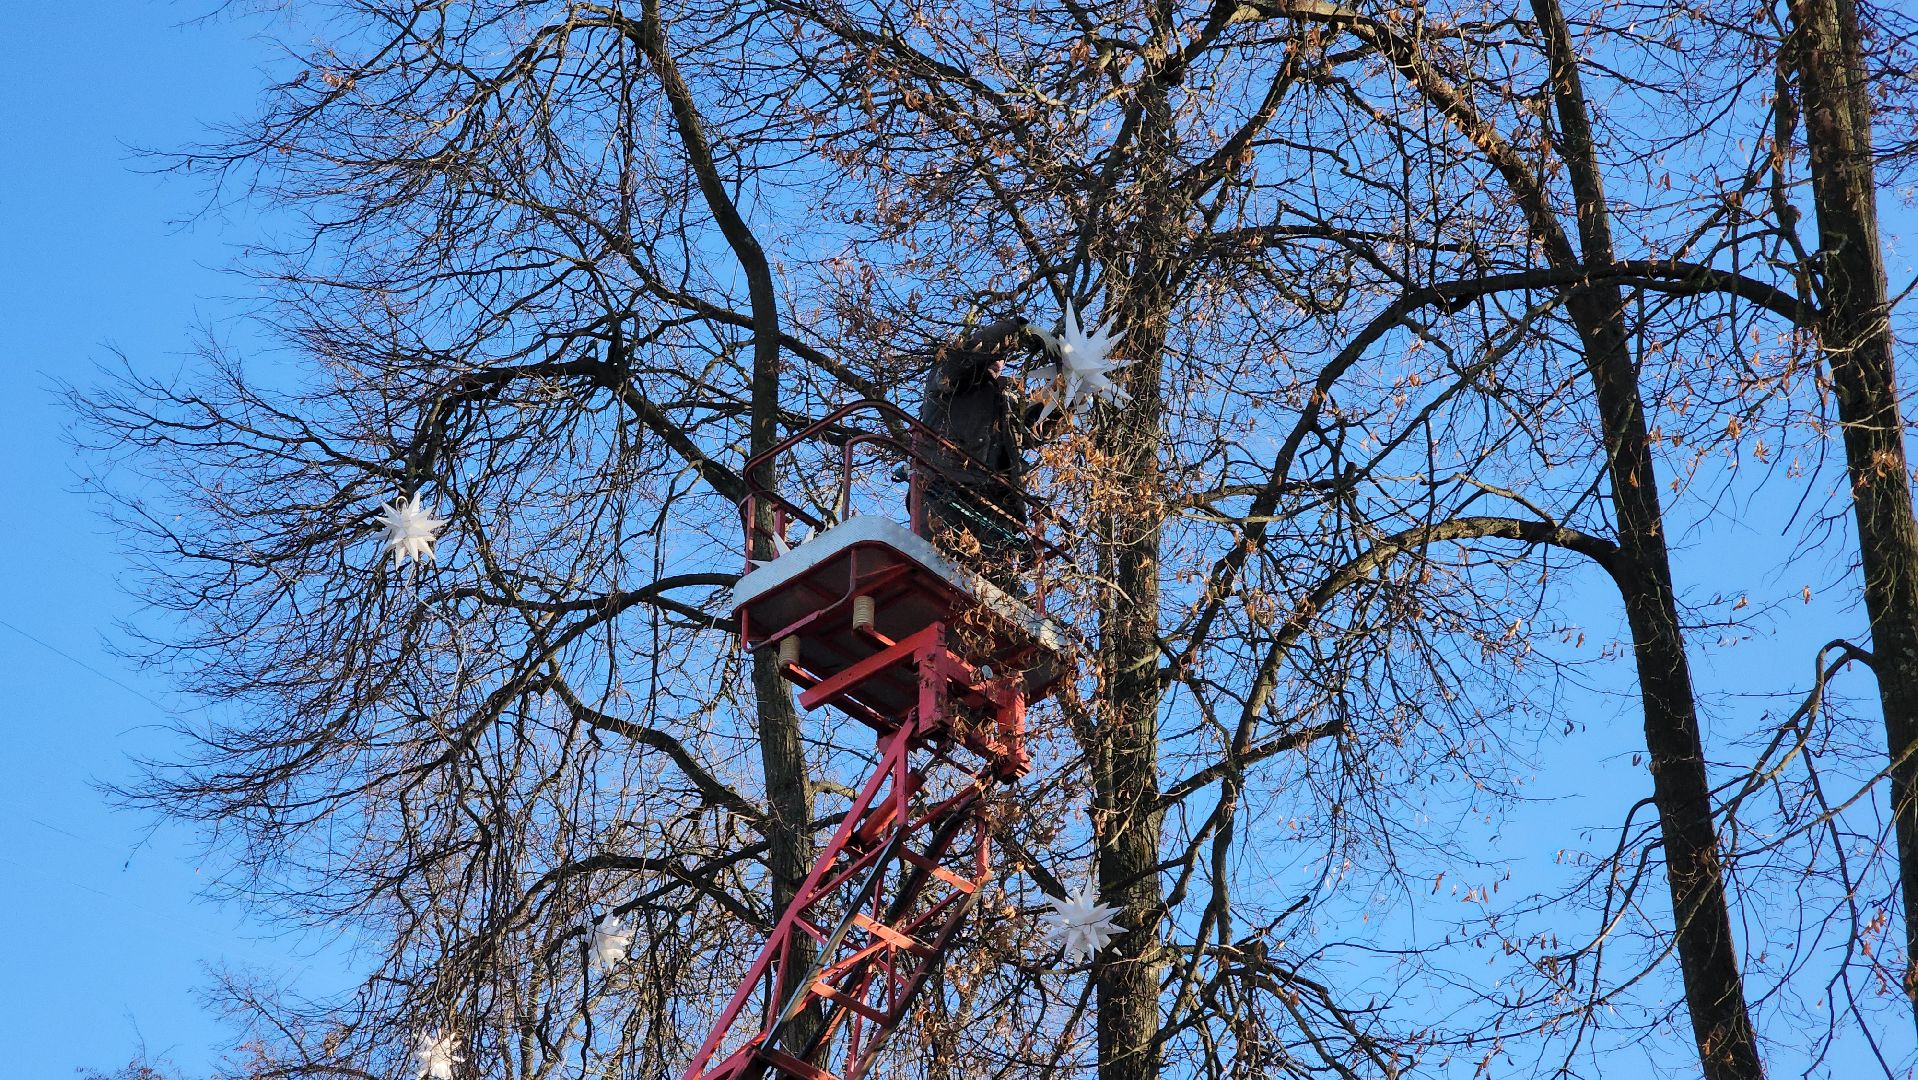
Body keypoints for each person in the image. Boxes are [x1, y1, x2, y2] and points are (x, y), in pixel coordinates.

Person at [915, 316, 1052, 579]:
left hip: (997, 506)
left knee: (995, 587)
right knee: (942, 572)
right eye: (998, 352)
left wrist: (1073, 389)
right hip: (947, 492)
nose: (1001, 360)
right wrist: (1016, 330)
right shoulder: (947, 374)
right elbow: (967, 356)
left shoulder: (1005, 403)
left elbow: (1035, 428)